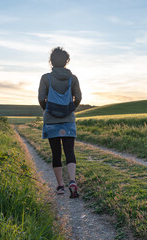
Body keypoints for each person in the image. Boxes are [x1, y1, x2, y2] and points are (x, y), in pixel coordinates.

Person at [38, 47, 82, 198]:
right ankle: (72, 181)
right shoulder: (73, 78)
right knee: (69, 151)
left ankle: (60, 186)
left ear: (51, 62)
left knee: (56, 153)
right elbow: (79, 97)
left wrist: (49, 110)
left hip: (51, 121)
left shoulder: (45, 78)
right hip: (68, 120)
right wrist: (70, 109)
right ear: (66, 62)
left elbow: (40, 98)